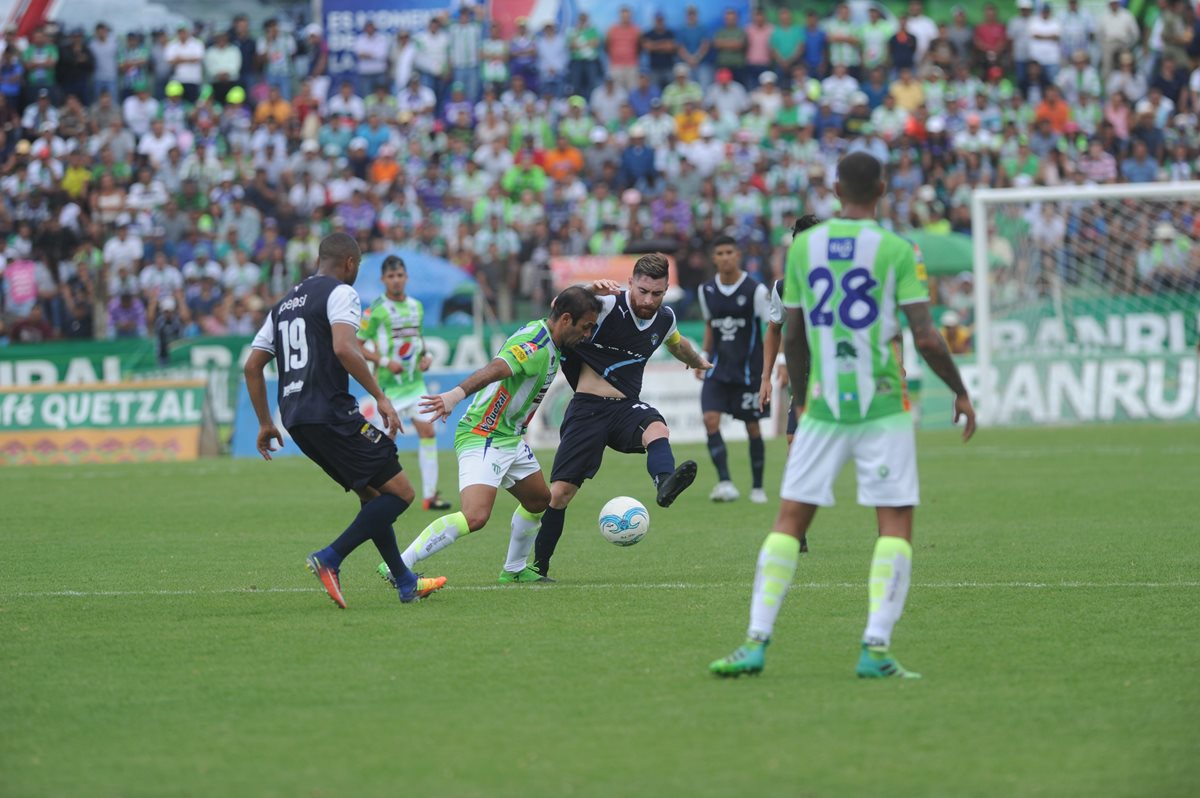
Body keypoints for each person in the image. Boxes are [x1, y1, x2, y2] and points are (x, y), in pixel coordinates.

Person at [709, 153, 976, 679]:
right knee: (893, 523)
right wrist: (960, 392)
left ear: (835, 189)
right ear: (882, 188)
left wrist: (802, 401)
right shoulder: (900, 249)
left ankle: (756, 641)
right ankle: (875, 647)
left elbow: (792, 335)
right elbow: (925, 336)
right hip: (883, 406)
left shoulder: (804, 249)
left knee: (790, 520)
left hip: (824, 405)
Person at [242, 232, 446, 608]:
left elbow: (252, 366)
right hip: (330, 412)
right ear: (350, 263)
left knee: (373, 495)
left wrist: (265, 422)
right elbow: (344, 347)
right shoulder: (340, 293)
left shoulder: (283, 304)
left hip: (295, 419)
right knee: (401, 493)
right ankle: (330, 558)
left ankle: (405, 582)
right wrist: (380, 396)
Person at [376, 286, 601, 585]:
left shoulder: (549, 333)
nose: (587, 334)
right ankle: (397, 566)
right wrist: (456, 394)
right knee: (475, 516)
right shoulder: (534, 346)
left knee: (539, 500)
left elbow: (561, 300)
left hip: (509, 437)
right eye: (585, 327)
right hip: (484, 434)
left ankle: (514, 569)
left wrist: (593, 289)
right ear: (566, 319)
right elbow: (496, 368)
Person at [531, 254, 714, 580]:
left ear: (666, 291)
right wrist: (588, 289)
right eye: (643, 291)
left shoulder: (664, 318)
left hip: (625, 408)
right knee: (560, 494)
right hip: (587, 409)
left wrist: (698, 361)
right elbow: (559, 308)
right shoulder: (604, 305)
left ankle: (664, 483)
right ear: (630, 283)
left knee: (656, 427)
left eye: (657, 294)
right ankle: (537, 567)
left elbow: (676, 344)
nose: (649, 300)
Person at [356, 255, 450, 511]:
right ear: (383, 279)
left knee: (428, 432)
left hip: (415, 384)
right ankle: (376, 492)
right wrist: (385, 361)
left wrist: (425, 356)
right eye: (391, 276)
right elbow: (357, 345)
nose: (396, 280)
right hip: (388, 388)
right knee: (385, 442)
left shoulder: (415, 306)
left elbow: (418, 338)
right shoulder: (374, 310)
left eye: (399, 275)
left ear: (406, 277)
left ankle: (430, 496)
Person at [694, 235, 771, 504]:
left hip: (748, 372)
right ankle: (725, 482)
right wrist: (703, 356)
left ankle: (758, 487)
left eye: (730, 252)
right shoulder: (706, 290)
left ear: (738, 255)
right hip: (717, 370)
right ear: (713, 258)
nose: (725, 257)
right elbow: (709, 325)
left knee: (753, 427)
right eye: (720, 253)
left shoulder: (755, 290)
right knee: (710, 420)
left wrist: (774, 366)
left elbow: (771, 328)